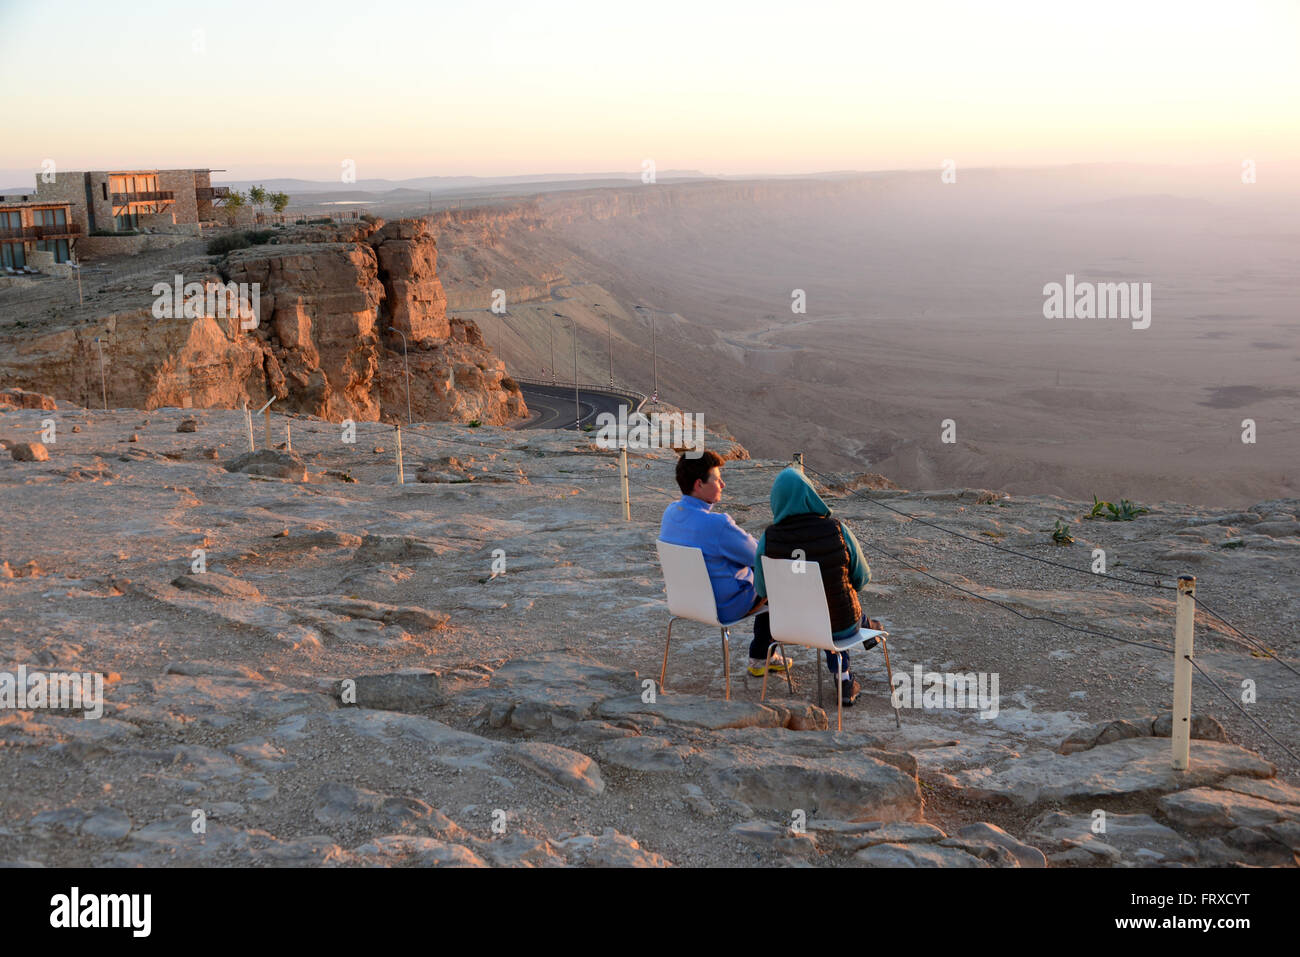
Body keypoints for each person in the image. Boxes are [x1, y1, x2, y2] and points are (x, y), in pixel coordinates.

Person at [659, 450, 792, 677]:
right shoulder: (717, 525)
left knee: (754, 570)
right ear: (699, 484)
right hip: (724, 606)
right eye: (717, 479)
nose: (723, 484)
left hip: (687, 601)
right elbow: (761, 554)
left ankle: (762, 656)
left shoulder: (670, 512)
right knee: (774, 573)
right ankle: (761, 656)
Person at [753, 467, 875, 705]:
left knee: (827, 614)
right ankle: (844, 679)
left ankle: (863, 629)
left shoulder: (768, 538)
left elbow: (762, 591)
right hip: (839, 625)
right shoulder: (838, 530)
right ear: (811, 495)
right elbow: (862, 579)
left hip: (789, 627)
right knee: (839, 612)